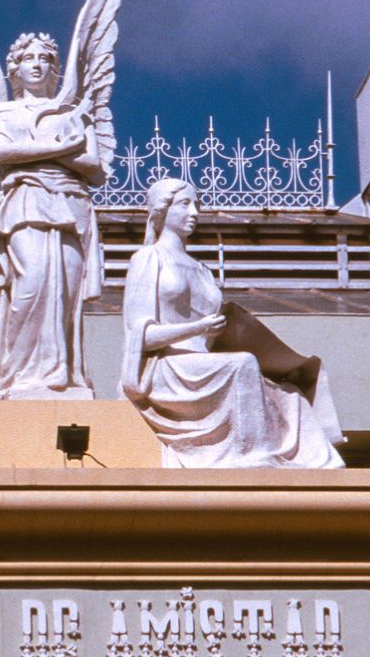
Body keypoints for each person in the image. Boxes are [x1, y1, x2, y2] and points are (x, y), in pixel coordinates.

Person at [121, 178, 344, 469]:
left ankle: (322, 470)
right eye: (184, 204)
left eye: (197, 205)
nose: (194, 213)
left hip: (206, 365)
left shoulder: (202, 269)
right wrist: (197, 328)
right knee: (242, 365)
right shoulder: (148, 259)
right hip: (167, 370)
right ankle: (253, 455)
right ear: (162, 210)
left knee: (291, 394)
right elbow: (143, 336)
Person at [0, 32, 103, 399]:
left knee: (65, 291)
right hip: (26, 202)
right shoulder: (2, 113)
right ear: (14, 69)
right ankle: (17, 378)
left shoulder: (76, 115)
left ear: (55, 68)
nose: (36, 63)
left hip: (70, 204)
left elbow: (94, 168)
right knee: (30, 282)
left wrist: (46, 152)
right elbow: (3, 153)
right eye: (27, 58)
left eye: (45, 58)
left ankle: (62, 375)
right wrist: (59, 149)